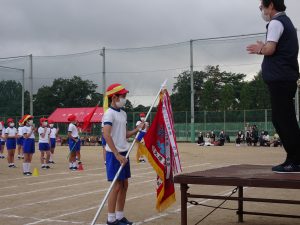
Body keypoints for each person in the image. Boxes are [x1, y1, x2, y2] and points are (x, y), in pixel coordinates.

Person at [247, 0, 300, 173]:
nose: (261, 10)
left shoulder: (276, 22)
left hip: (281, 78)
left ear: (271, 6)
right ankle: (292, 158)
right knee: (285, 119)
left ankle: (296, 160)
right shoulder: (286, 21)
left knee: (284, 120)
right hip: (285, 78)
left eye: (262, 6)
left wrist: (260, 49)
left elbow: (270, 49)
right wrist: (264, 47)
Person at [102, 83, 144, 225]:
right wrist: (116, 154)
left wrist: (137, 129)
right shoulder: (109, 113)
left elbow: (125, 134)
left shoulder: (123, 113)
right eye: (123, 96)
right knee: (117, 186)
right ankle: (111, 219)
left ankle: (120, 216)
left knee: (125, 185)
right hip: (114, 154)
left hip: (124, 152)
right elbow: (106, 135)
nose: (125, 99)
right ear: (114, 97)